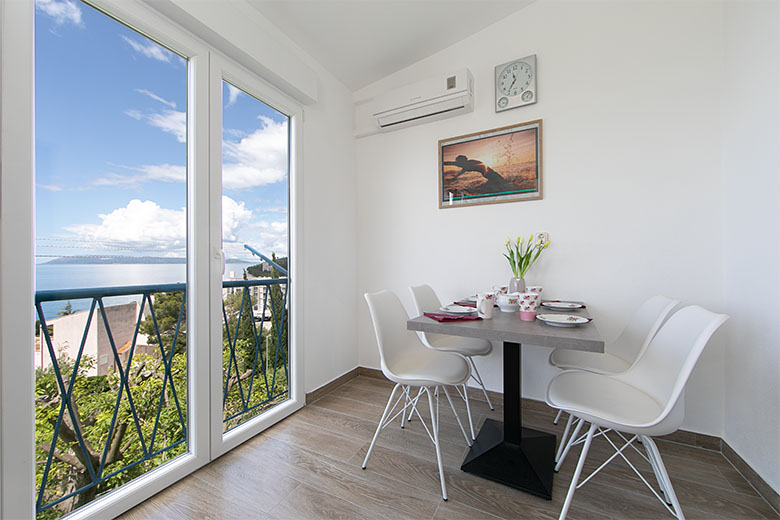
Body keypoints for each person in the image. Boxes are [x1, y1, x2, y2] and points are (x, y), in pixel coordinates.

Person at [443, 155, 511, 190]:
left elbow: (451, 163)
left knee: (502, 184)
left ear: (463, 160)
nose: (457, 163)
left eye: (458, 161)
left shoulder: (469, 162)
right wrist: (456, 177)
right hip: (488, 174)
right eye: (458, 161)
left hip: (490, 173)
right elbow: (462, 170)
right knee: (498, 184)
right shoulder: (465, 165)